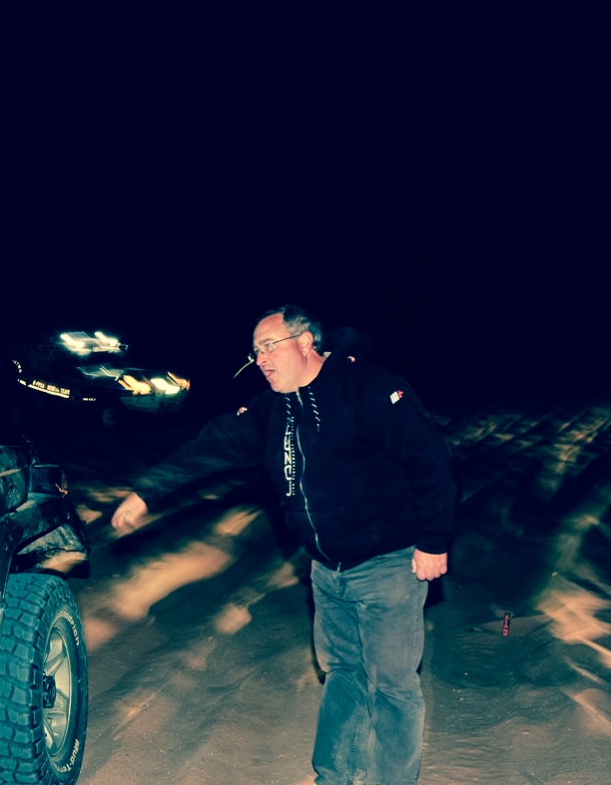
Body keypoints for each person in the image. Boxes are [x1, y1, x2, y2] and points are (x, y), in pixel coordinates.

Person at [111, 306, 455, 785]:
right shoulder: (271, 410)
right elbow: (210, 446)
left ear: (306, 342)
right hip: (326, 571)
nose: (260, 360)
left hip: (389, 565)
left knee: (392, 685)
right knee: (343, 674)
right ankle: (334, 776)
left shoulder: (369, 388)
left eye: (268, 347)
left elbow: (430, 459)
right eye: (255, 352)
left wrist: (434, 540)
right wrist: (147, 492)